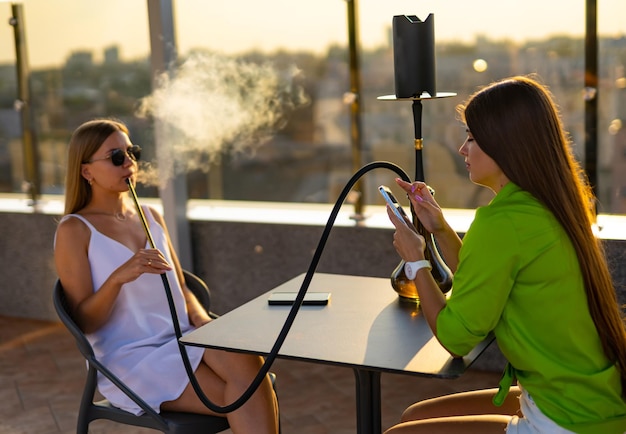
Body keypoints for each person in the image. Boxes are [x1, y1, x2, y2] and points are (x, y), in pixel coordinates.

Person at [383, 75, 626, 433]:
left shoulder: (501, 221)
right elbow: (488, 278)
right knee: (413, 418)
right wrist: (439, 228)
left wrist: (416, 260)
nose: (463, 150)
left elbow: (455, 337)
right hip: (587, 399)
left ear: (505, 143)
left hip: (567, 420)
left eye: (471, 138)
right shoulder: (549, 203)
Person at [54, 118, 279, 433]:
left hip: (181, 339)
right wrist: (119, 277)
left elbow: (182, 289)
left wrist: (205, 325)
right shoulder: (74, 229)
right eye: (116, 157)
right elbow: (85, 321)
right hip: (130, 359)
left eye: (131, 152)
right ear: (86, 170)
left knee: (248, 360)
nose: (129, 163)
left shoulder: (150, 215)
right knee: (246, 394)